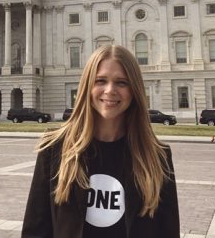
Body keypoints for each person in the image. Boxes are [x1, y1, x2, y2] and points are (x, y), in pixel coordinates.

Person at [22, 45, 179, 238]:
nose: (110, 90)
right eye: (101, 81)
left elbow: (168, 232)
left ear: (134, 90)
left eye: (121, 82)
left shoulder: (157, 156)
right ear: (88, 87)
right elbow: (35, 230)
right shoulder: (54, 149)